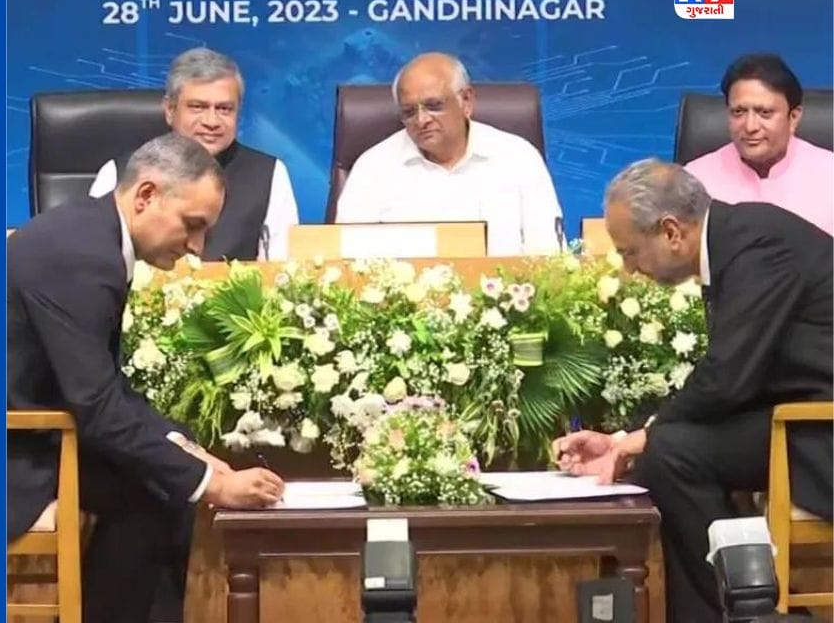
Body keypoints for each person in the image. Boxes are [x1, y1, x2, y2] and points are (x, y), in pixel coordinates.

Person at [8, 132, 285, 623]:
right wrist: (210, 483)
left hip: (39, 429)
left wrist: (186, 448)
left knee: (166, 475)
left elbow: (105, 385)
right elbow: (96, 404)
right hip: (11, 449)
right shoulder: (82, 254)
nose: (197, 248)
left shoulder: (92, 234)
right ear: (146, 196)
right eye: (192, 225)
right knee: (158, 491)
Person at [553, 159, 833, 622]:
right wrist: (626, 438)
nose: (630, 270)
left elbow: (729, 378)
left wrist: (642, 438)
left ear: (671, 231)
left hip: (820, 431)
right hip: (795, 417)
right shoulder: (735, 240)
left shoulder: (758, 247)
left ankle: (748, 610)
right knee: (668, 448)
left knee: (671, 453)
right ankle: (740, 606)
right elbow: (737, 378)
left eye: (629, 252)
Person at [334, 52, 564, 256]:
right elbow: (345, 258)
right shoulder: (373, 167)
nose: (422, 120)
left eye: (434, 105)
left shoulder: (518, 157)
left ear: (466, 101)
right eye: (409, 111)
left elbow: (549, 256)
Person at [88, 46, 300, 261]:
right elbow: (94, 258)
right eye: (198, 107)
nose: (211, 121)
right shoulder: (118, 174)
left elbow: (283, 270)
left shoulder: (270, 174)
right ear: (170, 110)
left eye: (224, 109)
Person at [684, 52, 833, 234]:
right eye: (738, 112)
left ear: (793, 117)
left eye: (765, 113)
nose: (750, 127)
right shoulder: (694, 181)